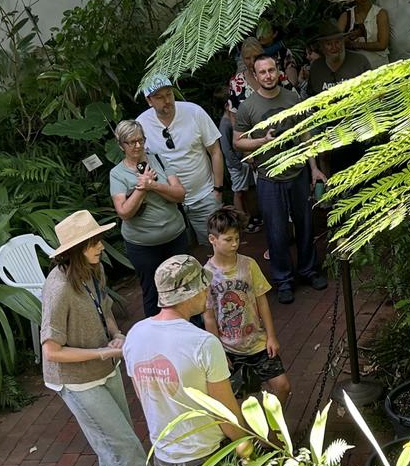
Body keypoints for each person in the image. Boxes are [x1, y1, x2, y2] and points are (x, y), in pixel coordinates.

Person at [41, 210, 171, 466]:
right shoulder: (58, 289)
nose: (101, 246)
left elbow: (106, 309)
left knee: (113, 445)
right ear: (75, 249)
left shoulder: (94, 269)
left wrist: (115, 335)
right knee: (122, 447)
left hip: (105, 367)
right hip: (77, 380)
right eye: (93, 242)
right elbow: (52, 352)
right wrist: (103, 353)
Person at [123, 255, 251, 466]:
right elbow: (225, 413)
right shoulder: (203, 343)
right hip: (206, 454)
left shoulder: (135, 335)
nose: (207, 293)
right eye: (202, 287)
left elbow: (145, 396)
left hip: (166, 452)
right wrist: (248, 447)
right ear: (190, 293)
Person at [234, 54, 327, 304]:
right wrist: (262, 141)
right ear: (255, 75)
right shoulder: (248, 107)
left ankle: (309, 270)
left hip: (297, 172)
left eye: (271, 70)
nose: (268, 76)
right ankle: (283, 280)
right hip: (269, 177)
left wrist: (314, 168)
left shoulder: (292, 97)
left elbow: (304, 132)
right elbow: (238, 141)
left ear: (279, 72)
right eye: (262, 72)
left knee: (305, 223)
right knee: (276, 231)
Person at [203, 207, 291, 403]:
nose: (235, 244)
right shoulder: (206, 275)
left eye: (236, 238)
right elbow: (208, 316)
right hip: (229, 348)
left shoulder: (248, 264)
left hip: (257, 343)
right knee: (235, 399)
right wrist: (218, 352)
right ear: (212, 240)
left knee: (283, 386)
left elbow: (262, 300)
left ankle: (275, 431)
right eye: (228, 240)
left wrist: (271, 336)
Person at [110, 119, 189, 317]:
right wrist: (141, 188)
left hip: (175, 237)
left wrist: (154, 185)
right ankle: (158, 337)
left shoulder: (159, 160)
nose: (137, 145)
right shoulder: (117, 174)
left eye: (140, 140)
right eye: (131, 142)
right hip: (142, 245)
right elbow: (124, 212)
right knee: (153, 291)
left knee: (183, 285)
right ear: (121, 145)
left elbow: (180, 193)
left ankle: (190, 327)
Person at [137, 75, 224, 247]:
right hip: (168, 202)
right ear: (149, 101)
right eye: (160, 97)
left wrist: (218, 190)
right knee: (182, 257)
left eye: (169, 94)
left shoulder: (194, 112)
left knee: (217, 248)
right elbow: (139, 162)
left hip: (204, 195)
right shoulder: (141, 124)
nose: (167, 100)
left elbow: (215, 151)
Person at [306, 19, 370, 173]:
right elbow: (311, 100)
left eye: (338, 42)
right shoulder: (316, 68)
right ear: (321, 47)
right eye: (329, 43)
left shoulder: (359, 62)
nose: (334, 47)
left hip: (357, 124)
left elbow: (372, 93)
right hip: (328, 127)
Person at [214, 87, 261, 229]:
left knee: (248, 190)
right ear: (226, 106)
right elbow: (226, 149)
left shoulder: (234, 121)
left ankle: (251, 216)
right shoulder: (225, 124)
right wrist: (238, 165)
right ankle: (242, 222)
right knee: (239, 192)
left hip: (244, 162)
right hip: (236, 165)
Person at [336, 0, 389, 68]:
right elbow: (336, 42)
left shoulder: (380, 14)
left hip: (379, 68)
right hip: (354, 70)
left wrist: (353, 45)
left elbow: (382, 45)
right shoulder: (346, 16)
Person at [228, 37, 295, 114]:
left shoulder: (277, 75)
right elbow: (233, 113)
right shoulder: (236, 82)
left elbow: (294, 99)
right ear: (243, 59)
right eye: (247, 58)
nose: (252, 62)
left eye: (255, 57)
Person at [256, 19, 299, 87]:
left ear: (275, 34)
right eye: (259, 31)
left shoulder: (284, 52)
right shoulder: (253, 54)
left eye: (265, 32)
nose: (261, 36)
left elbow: (293, 81)